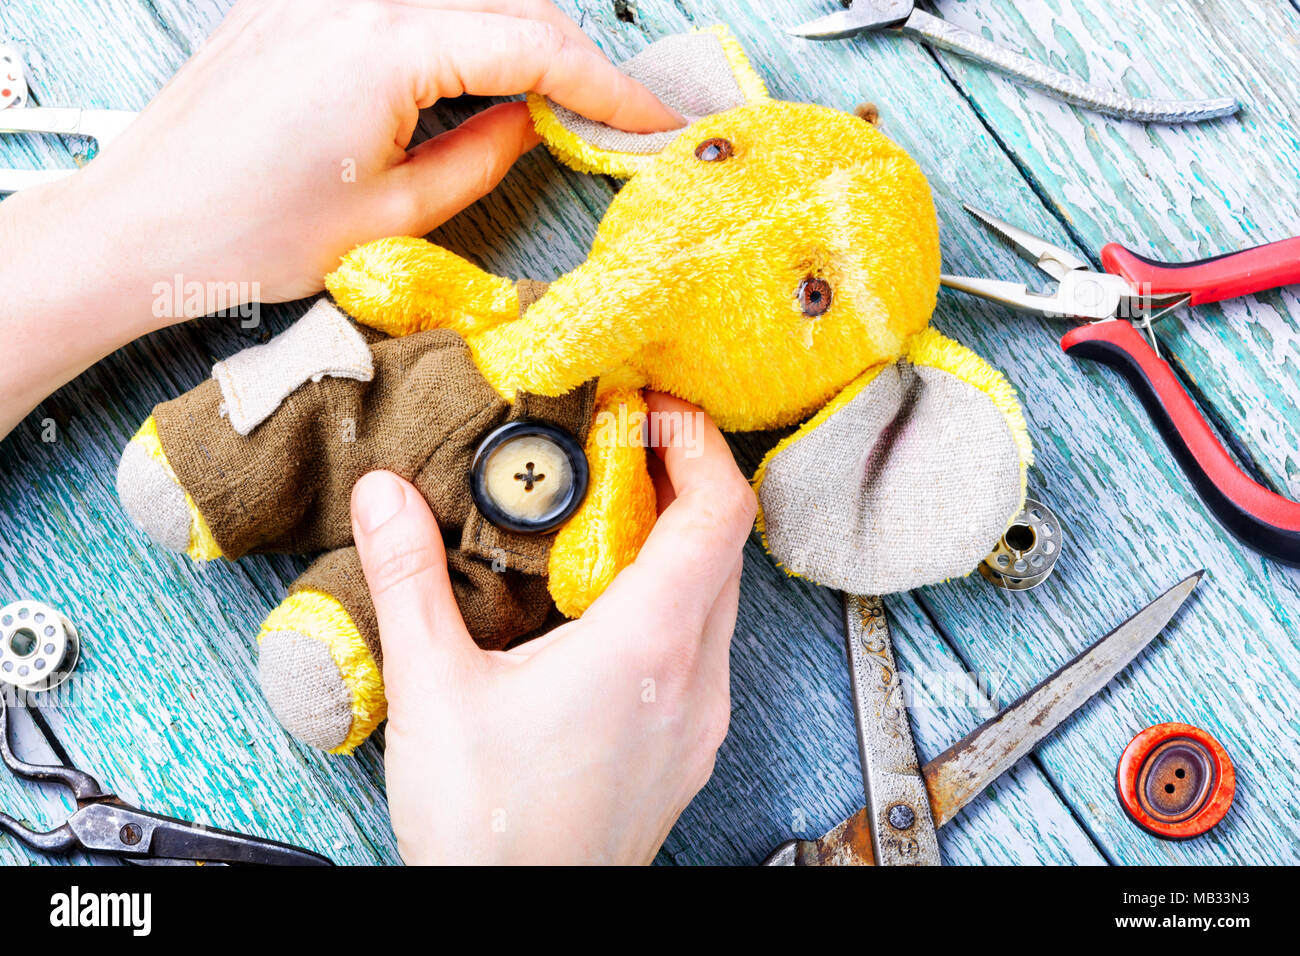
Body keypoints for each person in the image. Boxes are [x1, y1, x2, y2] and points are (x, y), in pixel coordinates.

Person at [0, 0, 756, 864]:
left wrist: (110, 230)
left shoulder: (626, 436)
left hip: (502, 539)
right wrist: (113, 232)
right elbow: (399, 282)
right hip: (408, 395)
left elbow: (590, 567)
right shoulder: (515, 314)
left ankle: (338, 632)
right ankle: (211, 465)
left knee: (473, 585)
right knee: (326, 395)